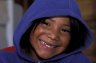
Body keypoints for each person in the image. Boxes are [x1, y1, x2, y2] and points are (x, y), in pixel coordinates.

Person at [0, 0, 93, 63]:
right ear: (29, 24)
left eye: (64, 30)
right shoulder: (4, 59)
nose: (53, 35)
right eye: (46, 24)